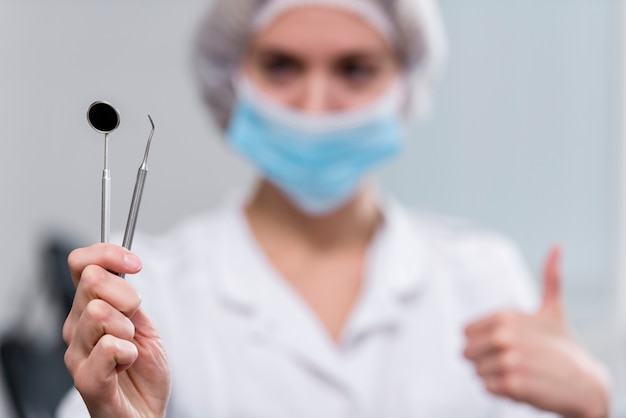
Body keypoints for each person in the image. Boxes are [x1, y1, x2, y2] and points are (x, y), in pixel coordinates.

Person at [58, 0, 611, 417]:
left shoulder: (480, 276)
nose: (315, 106)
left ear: (406, 82)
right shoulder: (149, 289)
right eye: (281, 66)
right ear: (231, 77)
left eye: (354, 69)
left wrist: (592, 404)